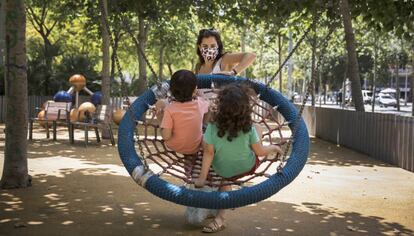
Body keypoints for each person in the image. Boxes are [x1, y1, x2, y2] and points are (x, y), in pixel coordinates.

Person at [194, 83, 283, 233]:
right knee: (258, 128)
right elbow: (260, 152)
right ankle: (221, 214)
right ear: (245, 107)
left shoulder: (212, 126)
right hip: (247, 167)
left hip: (221, 169)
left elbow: (208, 153)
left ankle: (222, 212)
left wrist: (202, 178)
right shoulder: (248, 127)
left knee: (224, 176)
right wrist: (273, 147)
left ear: (220, 105)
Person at [155, 70, 209, 155]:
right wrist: (201, 96)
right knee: (207, 113)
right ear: (195, 90)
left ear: (171, 91)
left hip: (174, 146)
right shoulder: (200, 103)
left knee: (160, 104)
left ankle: (162, 122)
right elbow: (207, 107)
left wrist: (160, 120)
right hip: (195, 147)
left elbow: (166, 136)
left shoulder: (170, 109)